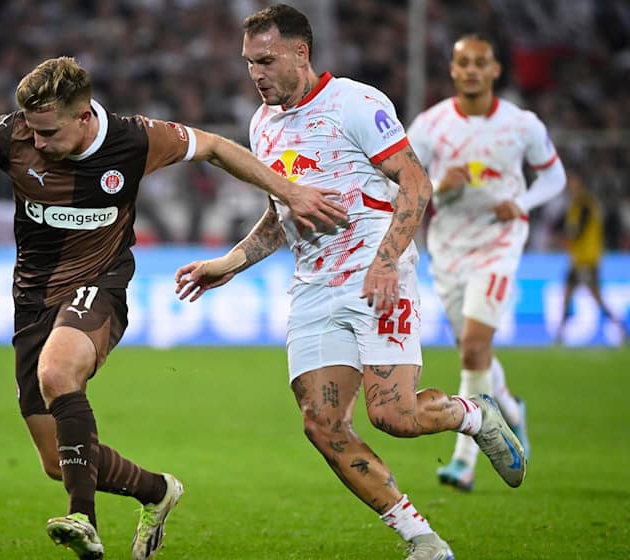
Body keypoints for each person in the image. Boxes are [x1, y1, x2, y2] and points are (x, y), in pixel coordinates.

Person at [0, 56, 346, 560]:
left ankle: (82, 519)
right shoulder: (10, 134)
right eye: (33, 132)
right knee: (57, 459)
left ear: (84, 116)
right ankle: (157, 492)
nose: (38, 143)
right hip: (32, 300)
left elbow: (216, 149)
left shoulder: (134, 140)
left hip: (100, 285)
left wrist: (290, 191)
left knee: (58, 369)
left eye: (48, 132)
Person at [174, 6, 526, 559]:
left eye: (266, 60)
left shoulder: (356, 104)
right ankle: (423, 541)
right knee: (321, 423)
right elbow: (282, 214)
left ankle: (473, 414)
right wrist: (231, 261)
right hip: (313, 287)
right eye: (248, 64)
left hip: (375, 277)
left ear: (300, 52)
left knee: (395, 417)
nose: (256, 74)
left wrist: (386, 261)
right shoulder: (262, 125)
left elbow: (416, 182)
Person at [406, 35, 566, 491]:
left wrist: (522, 202)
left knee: (474, 347)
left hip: (499, 244)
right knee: (472, 350)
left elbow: (554, 176)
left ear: (496, 70)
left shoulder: (521, 124)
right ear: (453, 71)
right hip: (449, 248)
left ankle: (465, 459)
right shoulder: (431, 125)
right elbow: (405, 181)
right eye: (464, 64)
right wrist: (440, 183)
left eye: (481, 63)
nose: (472, 70)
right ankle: (512, 410)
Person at [555, 172, 627, 344]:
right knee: (567, 294)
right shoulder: (578, 205)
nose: (570, 187)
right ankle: (560, 335)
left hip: (587, 260)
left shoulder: (585, 204)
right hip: (578, 259)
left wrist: (566, 240)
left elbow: (578, 230)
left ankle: (621, 329)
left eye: (573, 183)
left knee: (595, 297)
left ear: (580, 184)